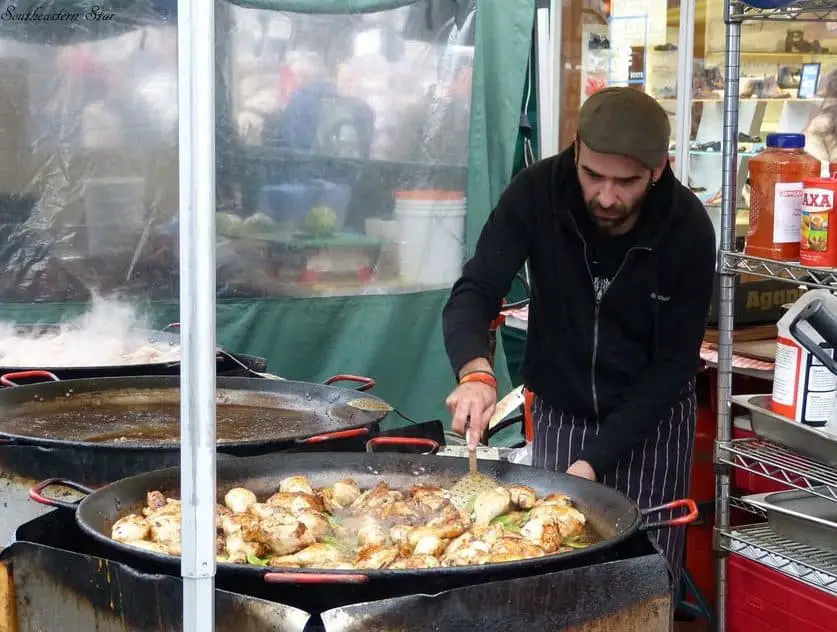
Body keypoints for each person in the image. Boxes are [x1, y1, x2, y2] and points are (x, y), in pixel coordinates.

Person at [441, 87, 717, 592]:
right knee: (549, 573)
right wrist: (475, 371)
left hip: (650, 424)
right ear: (575, 149)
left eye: (626, 181)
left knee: (642, 580)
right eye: (593, 175)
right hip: (561, 410)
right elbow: (476, 288)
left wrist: (593, 462)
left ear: (659, 169)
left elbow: (674, 363)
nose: (607, 196)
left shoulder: (688, 228)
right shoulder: (537, 191)